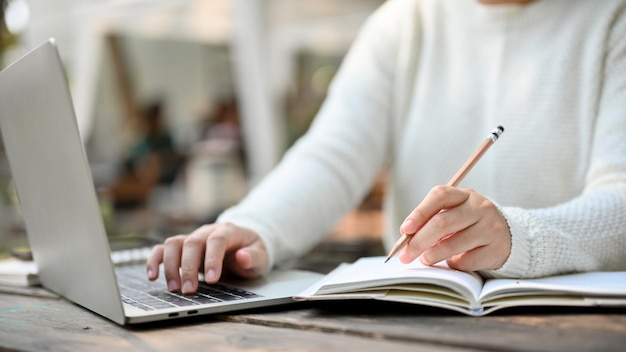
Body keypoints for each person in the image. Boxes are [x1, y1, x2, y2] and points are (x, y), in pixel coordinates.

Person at [147, 0, 626, 295]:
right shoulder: (404, 21)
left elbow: (621, 197)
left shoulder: (612, 18)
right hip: (414, 314)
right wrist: (253, 225)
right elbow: (331, 156)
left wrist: (517, 237)